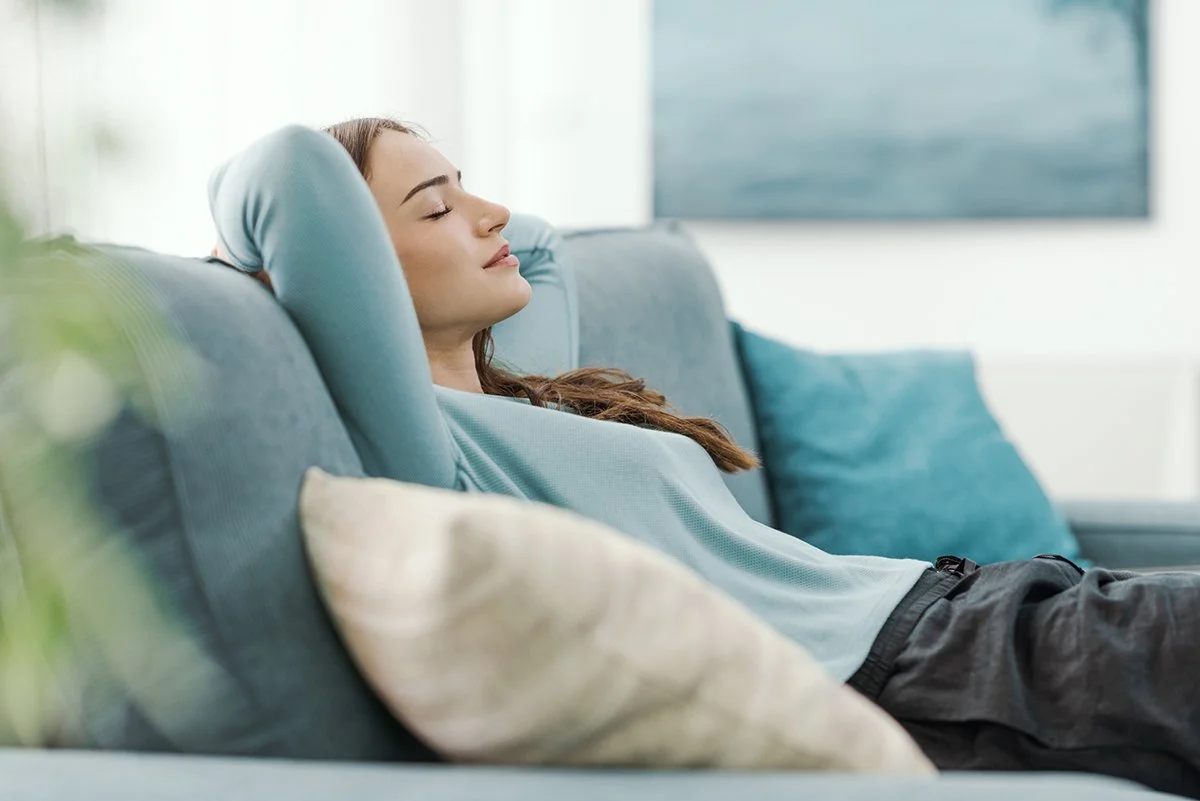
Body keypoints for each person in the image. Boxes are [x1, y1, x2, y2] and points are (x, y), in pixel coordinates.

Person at [207, 119, 1200, 797]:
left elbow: (542, 244)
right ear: (359, 274)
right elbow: (290, 172)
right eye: (435, 208)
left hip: (976, 608)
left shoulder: (523, 393)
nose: (492, 216)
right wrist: (275, 268)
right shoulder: (424, 443)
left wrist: (430, 194)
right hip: (933, 673)